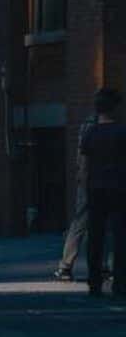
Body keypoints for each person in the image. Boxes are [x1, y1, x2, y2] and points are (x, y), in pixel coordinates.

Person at [82, 89, 126, 298]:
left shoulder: (90, 133)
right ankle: (120, 283)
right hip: (118, 188)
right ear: (116, 108)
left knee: (95, 237)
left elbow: (84, 165)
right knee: (120, 237)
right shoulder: (122, 131)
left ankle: (94, 283)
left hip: (95, 188)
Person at [55, 112, 98, 280]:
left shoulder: (87, 125)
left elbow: (82, 158)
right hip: (101, 180)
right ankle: (104, 266)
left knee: (80, 223)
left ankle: (66, 265)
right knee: (105, 223)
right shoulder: (100, 125)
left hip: (88, 181)